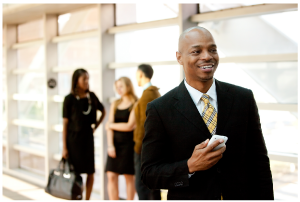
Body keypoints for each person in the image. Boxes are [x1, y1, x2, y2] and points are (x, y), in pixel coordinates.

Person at [141, 27, 274, 201]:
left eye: (212, 50)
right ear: (179, 57)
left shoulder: (243, 98)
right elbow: (149, 174)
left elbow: (259, 160)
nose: (207, 56)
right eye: (197, 51)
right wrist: (189, 166)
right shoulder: (160, 109)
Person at [107, 64, 161, 201]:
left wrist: (137, 147)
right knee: (148, 184)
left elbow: (141, 125)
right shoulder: (151, 93)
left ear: (141, 75)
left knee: (141, 185)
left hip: (139, 147)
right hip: (141, 147)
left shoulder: (145, 96)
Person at [62, 69, 106, 201]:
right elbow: (65, 125)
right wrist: (64, 147)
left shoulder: (91, 97)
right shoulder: (69, 99)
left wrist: (95, 127)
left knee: (90, 171)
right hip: (73, 140)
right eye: (84, 79)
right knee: (74, 173)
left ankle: (87, 199)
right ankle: (75, 198)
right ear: (76, 81)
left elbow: (103, 111)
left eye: (88, 79)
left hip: (88, 139)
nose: (87, 82)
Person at [105, 77, 138, 201]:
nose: (118, 89)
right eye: (117, 87)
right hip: (114, 145)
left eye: (121, 86)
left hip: (128, 145)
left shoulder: (136, 103)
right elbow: (108, 129)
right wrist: (110, 145)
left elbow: (130, 126)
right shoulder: (115, 103)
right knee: (111, 175)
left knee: (129, 177)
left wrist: (110, 125)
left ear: (128, 86)